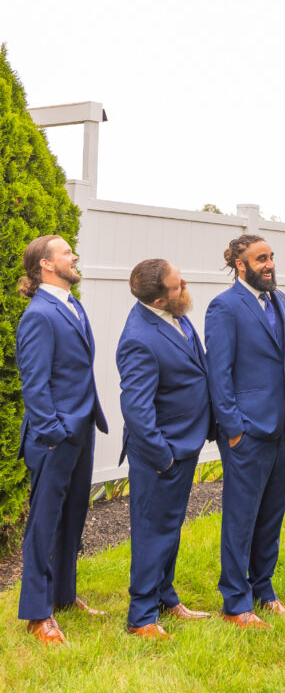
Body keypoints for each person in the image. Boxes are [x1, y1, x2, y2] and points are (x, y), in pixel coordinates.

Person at [206, 235, 285, 630]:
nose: (269, 264)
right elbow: (219, 373)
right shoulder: (224, 307)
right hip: (246, 431)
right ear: (240, 265)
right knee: (241, 518)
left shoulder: (280, 301)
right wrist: (233, 429)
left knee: (271, 515)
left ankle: (263, 591)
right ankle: (235, 601)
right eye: (260, 259)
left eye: (271, 257)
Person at [15, 235, 108, 645]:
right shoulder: (38, 315)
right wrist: (54, 433)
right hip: (55, 436)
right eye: (67, 253)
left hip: (81, 429)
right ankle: (38, 615)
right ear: (47, 266)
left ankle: (65, 597)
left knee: (73, 517)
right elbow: (34, 386)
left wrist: (81, 427)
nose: (75, 256)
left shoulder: (72, 305)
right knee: (44, 524)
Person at [116, 259, 215, 639]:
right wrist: (163, 456)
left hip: (184, 444)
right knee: (152, 531)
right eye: (177, 285)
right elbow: (136, 408)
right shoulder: (139, 338)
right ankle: (140, 617)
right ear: (158, 299)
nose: (184, 284)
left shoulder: (176, 314)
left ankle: (165, 597)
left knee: (170, 528)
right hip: (161, 453)